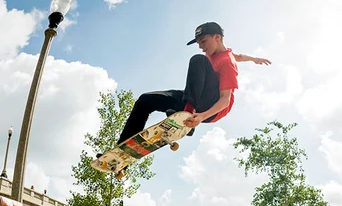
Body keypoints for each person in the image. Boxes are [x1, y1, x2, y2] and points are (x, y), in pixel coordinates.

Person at [116, 22, 271, 144]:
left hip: (212, 108)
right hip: (196, 99)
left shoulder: (227, 63)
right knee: (146, 100)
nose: (201, 47)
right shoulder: (225, 52)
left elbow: (225, 100)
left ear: (217, 37)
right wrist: (254, 59)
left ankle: (188, 112)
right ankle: (122, 148)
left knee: (198, 60)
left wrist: (201, 117)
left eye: (203, 42)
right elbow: (239, 56)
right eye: (198, 43)